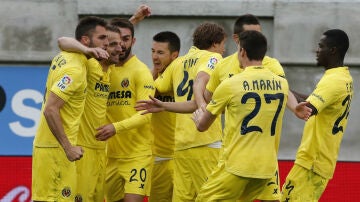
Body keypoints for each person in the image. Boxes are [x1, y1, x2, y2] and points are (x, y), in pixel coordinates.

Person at [193, 30, 289, 201]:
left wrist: (198, 116)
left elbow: (202, 125)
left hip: (236, 165)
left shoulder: (230, 84)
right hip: (267, 167)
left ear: (242, 51)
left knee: (203, 198)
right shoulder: (282, 84)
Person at [136, 22, 226, 202]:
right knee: (212, 197)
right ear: (215, 43)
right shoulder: (214, 58)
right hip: (206, 141)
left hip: (181, 144)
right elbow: (202, 80)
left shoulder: (178, 63)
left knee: (182, 198)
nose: (224, 50)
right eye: (223, 44)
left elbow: (157, 87)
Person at [31, 16, 109, 201]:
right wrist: (68, 148)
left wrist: (89, 50)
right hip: (57, 150)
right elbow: (50, 109)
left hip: (49, 147)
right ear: (85, 40)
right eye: (102, 38)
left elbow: (62, 40)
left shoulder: (66, 56)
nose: (106, 44)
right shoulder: (75, 70)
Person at [281, 29, 353, 201]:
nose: (317, 50)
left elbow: (306, 108)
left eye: (321, 46)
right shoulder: (344, 77)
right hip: (321, 160)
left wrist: (278, 86)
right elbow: (313, 100)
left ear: (333, 50)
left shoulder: (332, 81)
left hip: (312, 162)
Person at [57, 25, 123, 202]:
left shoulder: (109, 70)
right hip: (83, 150)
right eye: (112, 44)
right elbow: (62, 41)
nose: (120, 48)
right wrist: (88, 50)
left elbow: (116, 37)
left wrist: (135, 20)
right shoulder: (89, 64)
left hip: (101, 151)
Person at [95, 18, 155, 202]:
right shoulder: (104, 70)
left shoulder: (140, 71)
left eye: (125, 40)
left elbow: (145, 114)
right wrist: (135, 18)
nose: (120, 46)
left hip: (137, 155)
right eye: (115, 42)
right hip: (110, 156)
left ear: (132, 41)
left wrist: (115, 127)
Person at [149, 31, 180, 202]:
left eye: (160, 52)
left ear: (174, 55)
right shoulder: (150, 78)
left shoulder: (184, 81)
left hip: (183, 157)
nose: (155, 56)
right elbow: (142, 100)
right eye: (153, 51)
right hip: (159, 158)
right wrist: (154, 72)